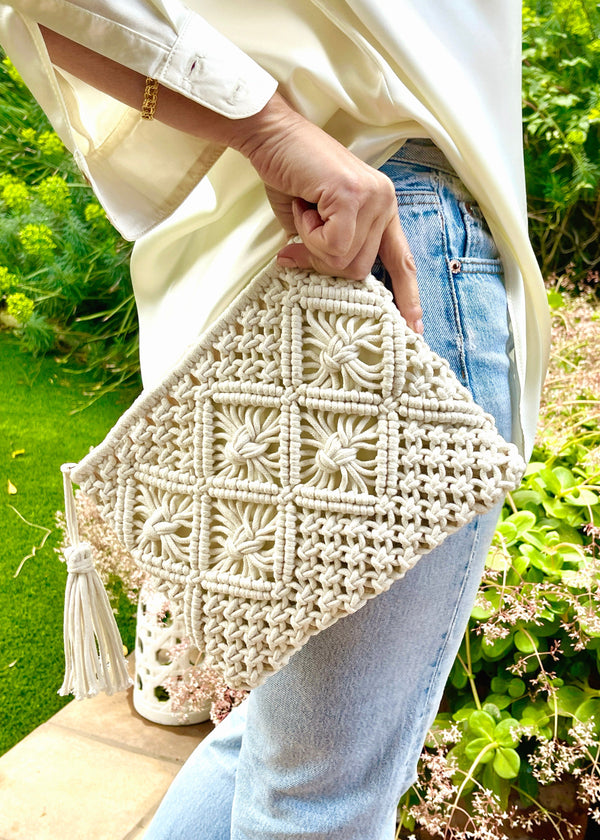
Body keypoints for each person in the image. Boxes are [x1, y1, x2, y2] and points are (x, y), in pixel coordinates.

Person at [0, 2, 550, 838]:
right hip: (377, 266)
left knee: (272, 757)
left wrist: (260, 125)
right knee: (318, 797)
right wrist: (265, 127)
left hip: (263, 267)